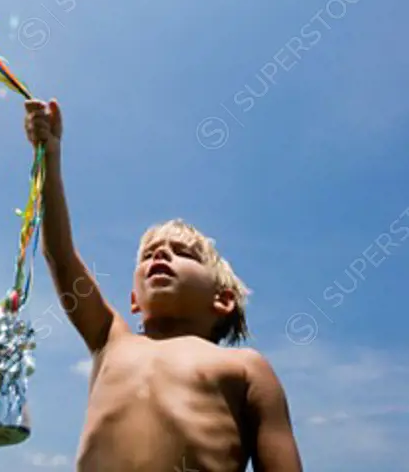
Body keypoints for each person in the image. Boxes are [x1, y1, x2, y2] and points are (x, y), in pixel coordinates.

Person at [24, 98, 303, 472]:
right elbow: (59, 255)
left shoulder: (246, 367)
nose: (160, 257)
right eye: (149, 254)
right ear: (134, 301)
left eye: (182, 253)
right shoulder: (111, 338)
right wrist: (49, 157)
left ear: (222, 299)